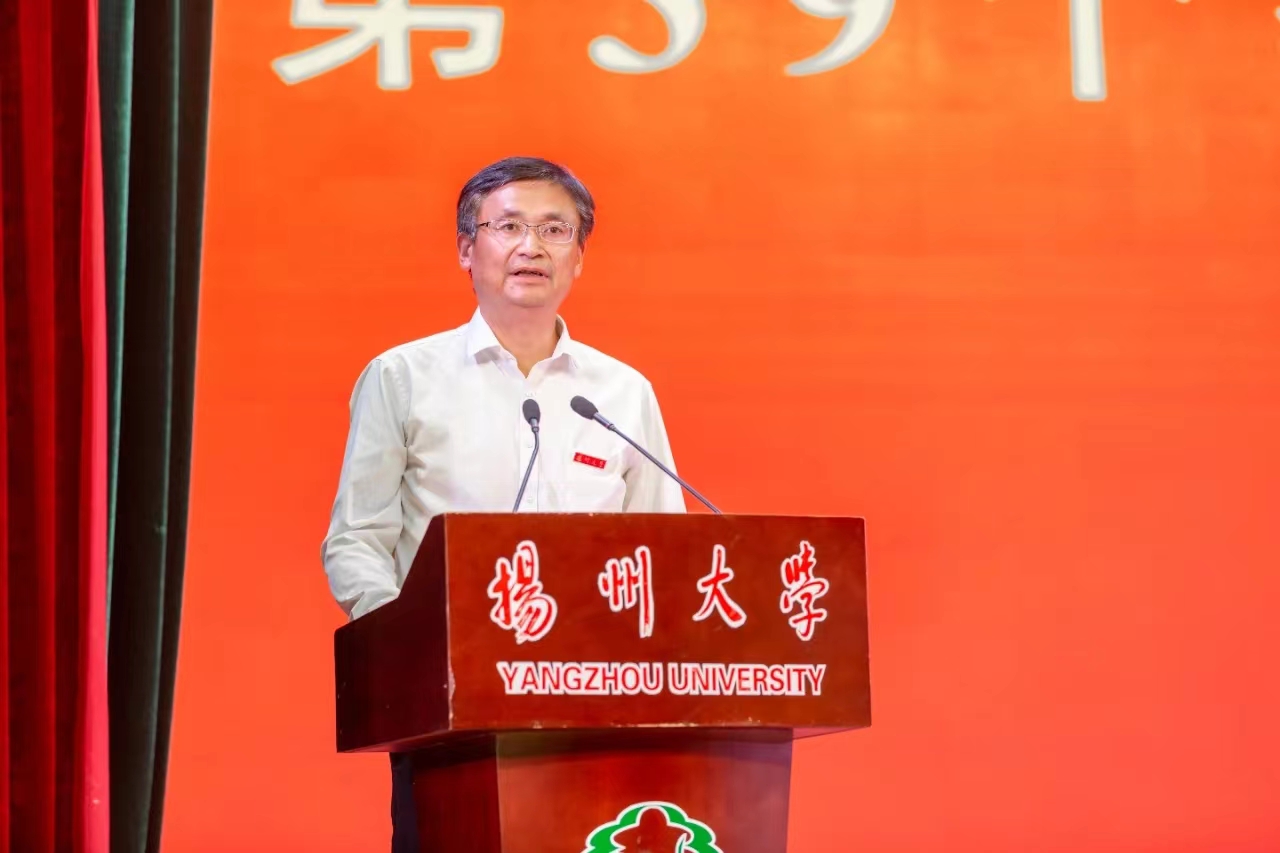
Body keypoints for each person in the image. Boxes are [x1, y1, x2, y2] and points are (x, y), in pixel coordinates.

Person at [319, 156, 687, 852]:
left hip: (596, 697)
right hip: (451, 706)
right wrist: (405, 643)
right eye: (509, 226)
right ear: (468, 249)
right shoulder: (403, 378)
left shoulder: (621, 391)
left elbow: (665, 547)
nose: (532, 247)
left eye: (555, 229)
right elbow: (357, 538)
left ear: (579, 257)